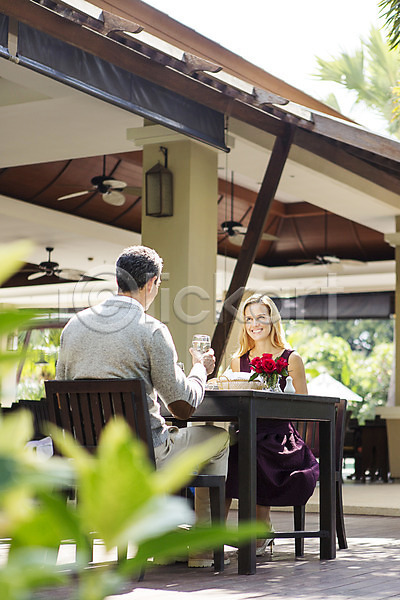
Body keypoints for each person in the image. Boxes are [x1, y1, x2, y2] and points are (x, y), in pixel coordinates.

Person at [56, 245, 229, 567]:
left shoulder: (74, 327)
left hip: (88, 455)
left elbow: (63, 398)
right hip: (142, 456)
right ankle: (202, 548)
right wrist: (200, 370)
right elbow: (183, 407)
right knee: (217, 437)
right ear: (151, 283)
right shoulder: (151, 330)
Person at [224, 294, 319, 555]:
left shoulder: (291, 358)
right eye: (249, 319)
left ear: (272, 320)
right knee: (223, 455)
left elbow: (304, 406)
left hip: (282, 439)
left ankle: (260, 529)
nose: (255, 324)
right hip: (246, 435)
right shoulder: (237, 360)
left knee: (253, 454)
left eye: (261, 317)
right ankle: (210, 540)